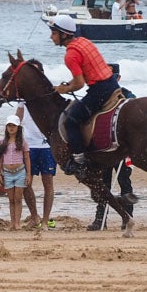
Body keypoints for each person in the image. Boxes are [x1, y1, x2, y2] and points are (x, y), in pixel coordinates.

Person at [47, 14, 120, 176]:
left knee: (72, 120)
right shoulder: (84, 41)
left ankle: (79, 160)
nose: (51, 37)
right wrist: (70, 84)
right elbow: (82, 76)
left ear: (64, 34)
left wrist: (62, 89)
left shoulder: (70, 55)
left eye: (53, 33)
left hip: (100, 90)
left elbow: (79, 84)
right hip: (112, 83)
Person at [17, 104, 56, 229]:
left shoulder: (49, 91)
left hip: (47, 145)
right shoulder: (24, 95)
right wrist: (11, 139)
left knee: (48, 182)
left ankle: (45, 220)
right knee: (26, 183)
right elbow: (18, 117)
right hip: (29, 145)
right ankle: (34, 217)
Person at [0, 115, 28, 230]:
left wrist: (28, 174)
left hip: (20, 172)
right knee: (11, 199)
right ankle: (12, 222)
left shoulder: (22, 142)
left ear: (18, 127)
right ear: (6, 127)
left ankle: (17, 223)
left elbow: (27, 158)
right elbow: (0, 159)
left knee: (18, 198)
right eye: (9, 125)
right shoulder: (3, 142)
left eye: (13, 125)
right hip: (7, 173)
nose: (11, 128)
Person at [88, 159, 134, 231]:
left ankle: (128, 218)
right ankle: (100, 219)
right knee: (103, 185)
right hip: (106, 154)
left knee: (125, 183)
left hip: (122, 154)